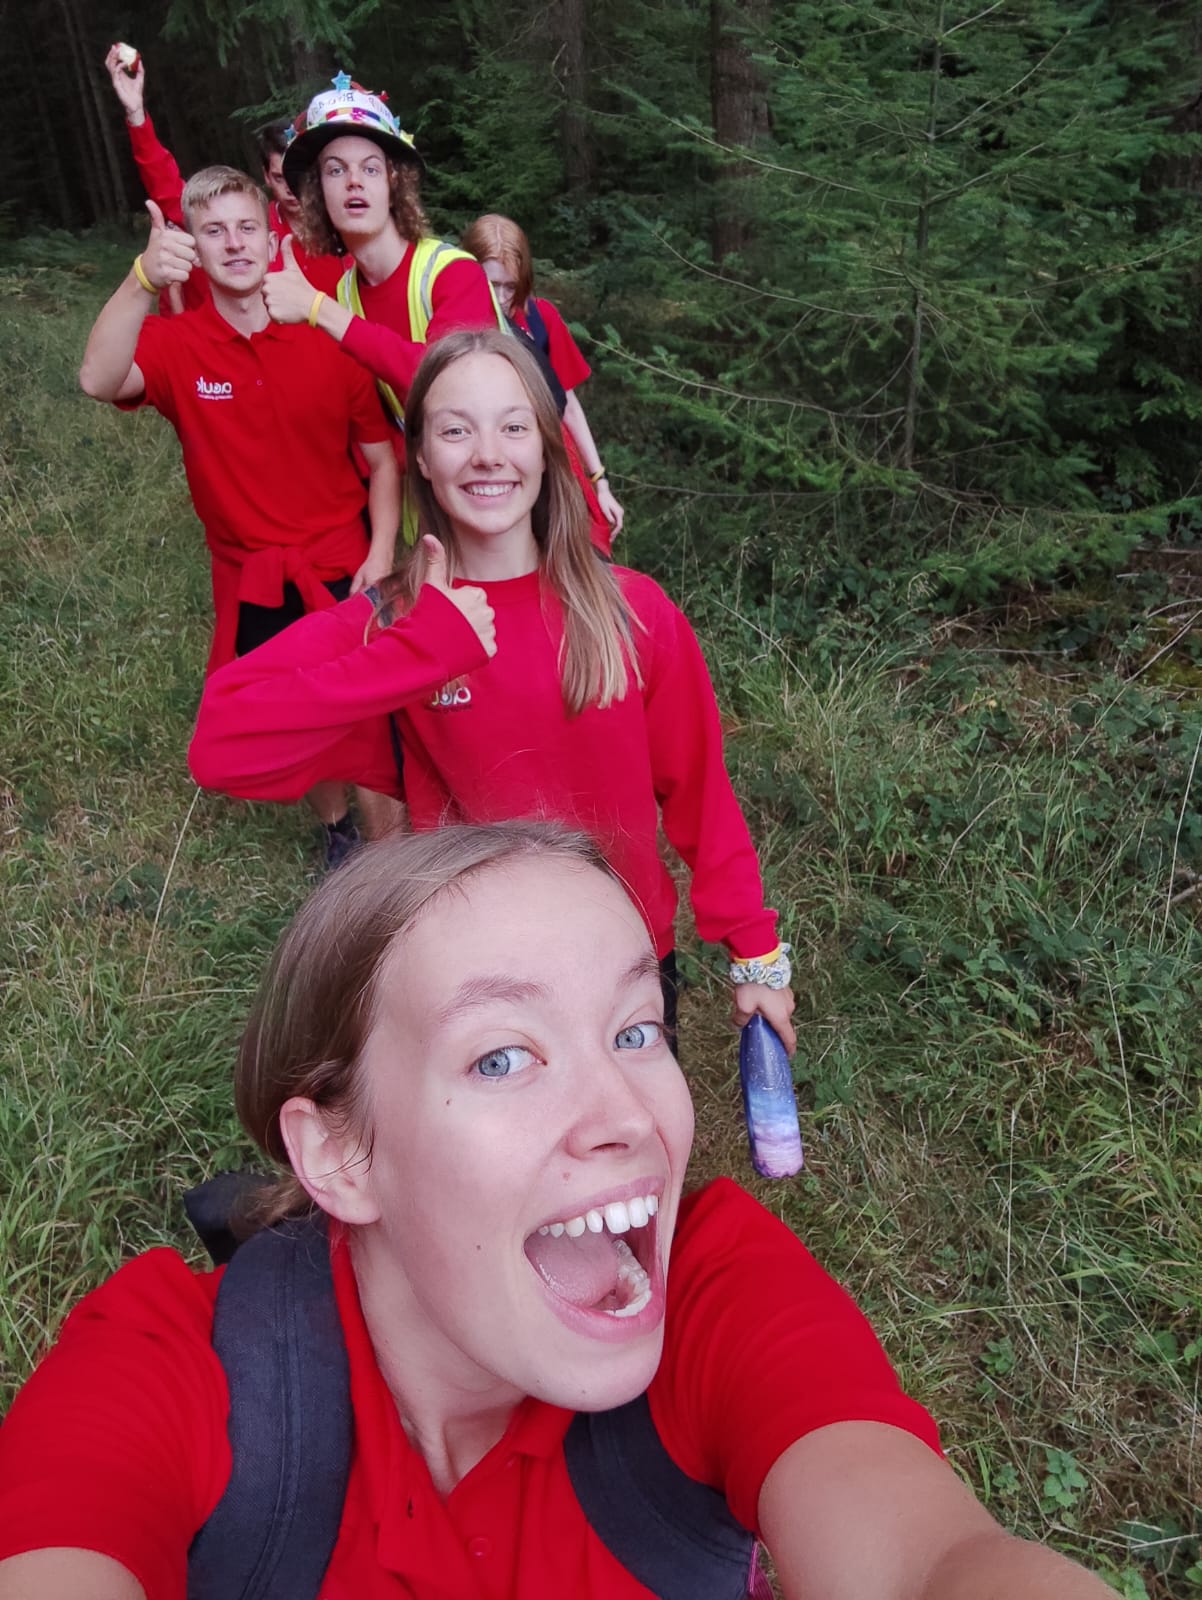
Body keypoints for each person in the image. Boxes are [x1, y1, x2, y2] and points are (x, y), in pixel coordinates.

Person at [0, 823, 1117, 1599]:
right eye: (501, 1056)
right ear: (340, 1154)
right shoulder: (167, 1368)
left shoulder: (717, 1287)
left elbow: (929, 1563)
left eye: (635, 1031)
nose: (627, 1113)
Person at [188, 328, 793, 1045]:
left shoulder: (632, 611)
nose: (487, 454)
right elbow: (220, 747)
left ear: (546, 447)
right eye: (455, 430)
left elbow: (701, 794)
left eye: (513, 427)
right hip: (473, 972)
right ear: (420, 455)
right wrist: (421, 652)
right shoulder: (395, 622)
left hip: (622, 958)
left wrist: (755, 951)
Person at [79, 164, 402, 867]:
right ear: (193, 247)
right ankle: (337, 830)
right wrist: (141, 279)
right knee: (302, 716)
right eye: (214, 231)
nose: (233, 244)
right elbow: (98, 379)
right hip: (253, 575)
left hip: (344, 563)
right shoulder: (177, 344)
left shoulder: (324, 333)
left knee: (372, 715)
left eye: (247, 228)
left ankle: (389, 860)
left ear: (271, 235)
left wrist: (381, 553)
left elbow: (382, 462)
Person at [259, 77, 500, 451]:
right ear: (318, 193)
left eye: (370, 169)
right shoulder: (346, 293)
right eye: (336, 170)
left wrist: (318, 309)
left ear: (393, 187)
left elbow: (448, 384)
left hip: (528, 479)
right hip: (439, 474)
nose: (354, 181)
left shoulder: (454, 272)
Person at [102, 45, 344, 308]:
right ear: (266, 176)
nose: (291, 187)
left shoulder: (342, 227)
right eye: (279, 177)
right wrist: (137, 116)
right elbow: (170, 191)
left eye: (300, 176)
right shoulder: (245, 223)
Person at [463, 213, 624, 555]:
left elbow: (568, 405)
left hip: (556, 462)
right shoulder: (457, 328)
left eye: (510, 286)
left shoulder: (539, 319)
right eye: (491, 284)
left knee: (584, 557)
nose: (501, 297)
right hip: (497, 470)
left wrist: (601, 483)